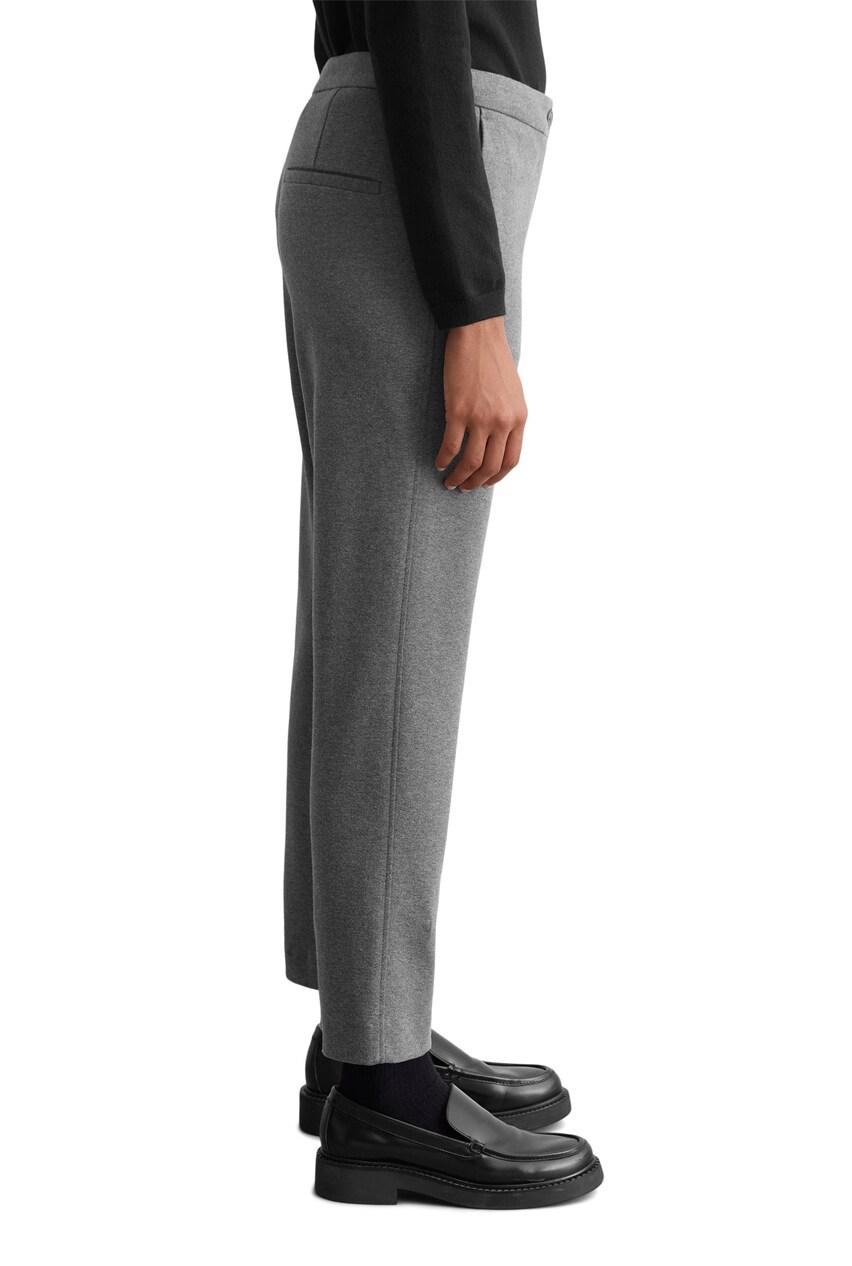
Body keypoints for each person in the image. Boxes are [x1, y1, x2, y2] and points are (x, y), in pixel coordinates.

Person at [275, 1, 602, 1207]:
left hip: (384, 151)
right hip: (419, 178)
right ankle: (383, 1087)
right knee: (397, 638)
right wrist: (470, 302)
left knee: (366, 623)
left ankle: (363, 1027)